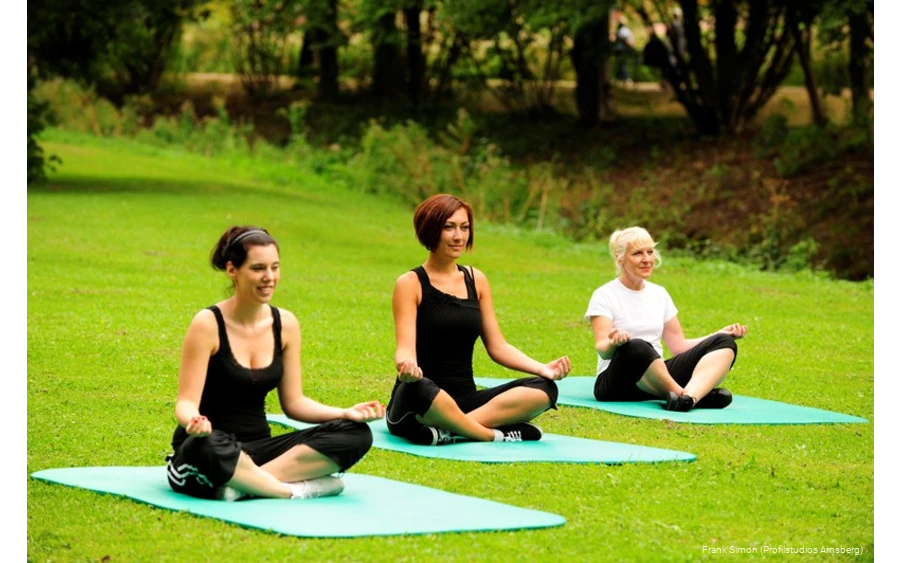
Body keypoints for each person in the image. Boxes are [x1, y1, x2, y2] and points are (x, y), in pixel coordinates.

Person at [166, 226, 385, 501]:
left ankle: (245, 484)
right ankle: (291, 490)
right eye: (258, 268)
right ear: (232, 270)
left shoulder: (286, 324)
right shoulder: (207, 324)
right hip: (210, 446)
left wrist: (345, 413)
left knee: (355, 433)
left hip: (260, 449)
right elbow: (186, 403)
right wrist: (194, 422)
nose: (269, 277)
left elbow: (294, 403)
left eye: (275, 267)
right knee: (207, 445)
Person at [386, 194, 571, 446]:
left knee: (544, 389)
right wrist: (406, 366)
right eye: (449, 227)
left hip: (466, 400)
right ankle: (490, 434)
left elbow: (498, 346)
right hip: (422, 396)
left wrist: (543, 369)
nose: (458, 236)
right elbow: (405, 348)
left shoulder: (476, 280)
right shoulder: (410, 283)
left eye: (464, 227)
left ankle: (453, 430)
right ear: (430, 229)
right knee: (420, 387)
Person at [584, 227, 747, 412]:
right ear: (620, 260)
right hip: (617, 384)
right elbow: (603, 350)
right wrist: (614, 343)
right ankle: (687, 397)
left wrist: (718, 335)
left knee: (724, 342)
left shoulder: (659, 294)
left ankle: (687, 397)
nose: (647, 259)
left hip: (656, 380)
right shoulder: (604, 295)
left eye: (650, 252)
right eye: (637, 253)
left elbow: (678, 346)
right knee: (636, 346)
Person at [612, 16, 637, 85]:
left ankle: (623, 78)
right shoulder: (623, 30)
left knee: (621, 64)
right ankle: (623, 78)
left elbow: (626, 40)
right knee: (621, 64)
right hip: (621, 50)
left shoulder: (622, 30)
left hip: (621, 50)